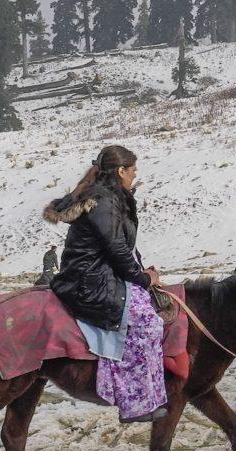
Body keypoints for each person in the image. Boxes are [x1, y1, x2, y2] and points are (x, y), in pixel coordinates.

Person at [45, 143, 168, 423]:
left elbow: (121, 245)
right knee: (147, 323)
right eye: (133, 170)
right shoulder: (104, 200)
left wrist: (141, 271)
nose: (135, 175)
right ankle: (133, 402)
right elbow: (115, 248)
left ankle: (152, 395)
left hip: (99, 274)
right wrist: (142, 278)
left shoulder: (109, 197)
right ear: (121, 171)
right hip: (89, 281)